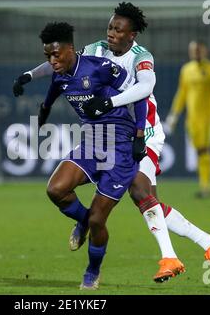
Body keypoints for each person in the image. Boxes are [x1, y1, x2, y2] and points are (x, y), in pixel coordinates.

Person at [14, 3, 210, 282]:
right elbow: (60, 62)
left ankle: (172, 257)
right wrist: (30, 75)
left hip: (145, 131)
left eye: (119, 29)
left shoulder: (141, 57)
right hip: (107, 133)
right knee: (144, 197)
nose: (112, 33)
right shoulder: (95, 50)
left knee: (140, 191)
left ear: (132, 35)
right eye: (110, 27)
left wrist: (110, 104)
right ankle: (207, 243)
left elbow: (145, 87)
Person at [37, 21, 147, 290]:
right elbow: (51, 95)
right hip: (93, 142)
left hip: (120, 147)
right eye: (47, 56)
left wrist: (140, 135)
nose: (52, 61)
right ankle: (83, 222)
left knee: (100, 219)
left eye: (56, 54)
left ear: (70, 49)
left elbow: (140, 94)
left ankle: (92, 270)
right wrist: (43, 112)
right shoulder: (59, 75)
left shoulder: (99, 68)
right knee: (56, 189)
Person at [165, 40, 210, 199]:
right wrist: (174, 115)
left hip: (208, 118)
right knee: (200, 151)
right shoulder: (186, 70)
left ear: (205, 51)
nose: (195, 53)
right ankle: (204, 185)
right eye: (193, 50)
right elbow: (182, 94)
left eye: (198, 50)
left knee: (205, 151)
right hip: (192, 119)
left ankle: (206, 187)